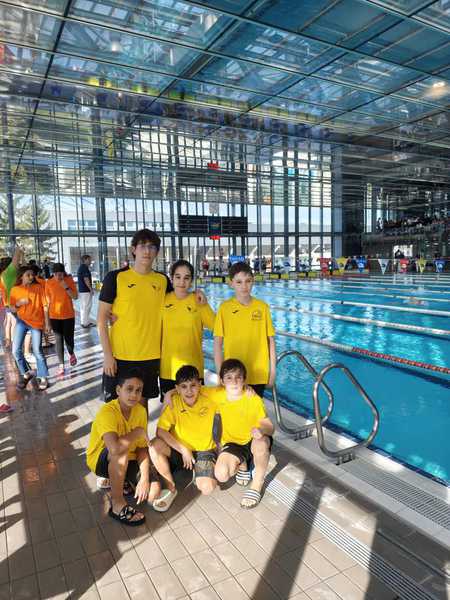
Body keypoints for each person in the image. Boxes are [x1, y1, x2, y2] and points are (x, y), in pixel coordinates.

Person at [97, 229, 172, 409]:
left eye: (152, 247)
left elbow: (178, 304)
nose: (147, 251)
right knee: (116, 409)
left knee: (141, 408)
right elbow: (101, 319)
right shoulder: (115, 278)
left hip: (151, 356)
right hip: (120, 356)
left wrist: (197, 296)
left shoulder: (162, 281)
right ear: (133, 249)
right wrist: (107, 355)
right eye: (142, 246)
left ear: (157, 252)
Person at [86, 369, 161, 526]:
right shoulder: (107, 412)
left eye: (138, 390)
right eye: (129, 389)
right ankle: (117, 505)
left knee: (153, 493)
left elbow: (141, 449)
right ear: (118, 390)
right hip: (102, 460)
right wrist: (137, 432)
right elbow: (114, 449)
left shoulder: (140, 411)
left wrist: (144, 479)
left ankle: (120, 481)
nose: (134, 395)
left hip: (129, 458)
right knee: (121, 453)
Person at [150, 365, 218, 511]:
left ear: (200, 385)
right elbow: (160, 431)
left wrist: (248, 390)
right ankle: (171, 487)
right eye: (184, 387)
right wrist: (183, 450)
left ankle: (196, 470)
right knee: (154, 445)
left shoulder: (211, 400)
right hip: (181, 452)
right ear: (178, 388)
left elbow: (230, 390)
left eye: (193, 385)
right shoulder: (174, 402)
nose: (189, 391)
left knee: (208, 488)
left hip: (203, 452)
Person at [214, 359, 274, 509]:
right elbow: (193, 389)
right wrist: (171, 392)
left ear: (244, 380)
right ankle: (242, 464)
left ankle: (256, 485)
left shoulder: (253, 399)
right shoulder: (217, 395)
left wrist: (261, 431)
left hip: (254, 440)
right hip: (234, 444)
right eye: (229, 377)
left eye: (238, 377)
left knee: (261, 443)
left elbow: (270, 427)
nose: (234, 382)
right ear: (222, 381)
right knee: (221, 474)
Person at [213, 261, 276, 398]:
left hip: (258, 373)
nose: (244, 286)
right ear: (231, 283)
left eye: (248, 281)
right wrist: (220, 374)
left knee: (254, 410)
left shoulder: (262, 307)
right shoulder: (224, 308)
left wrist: (272, 373)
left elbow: (270, 341)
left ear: (253, 281)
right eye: (239, 282)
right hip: (233, 375)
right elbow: (217, 343)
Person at [159, 260, 215, 395]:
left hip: (193, 369)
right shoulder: (162, 300)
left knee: (195, 407)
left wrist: (204, 304)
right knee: (170, 406)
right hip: (168, 369)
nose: (182, 282)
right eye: (178, 277)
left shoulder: (198, 300)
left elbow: (216, 326)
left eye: (186, 278)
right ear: (171, 278)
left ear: (191, 281)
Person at [10, 265, 50, 391]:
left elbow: (45, 305)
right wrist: (18, 303)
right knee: (15, 350)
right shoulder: (15, 290)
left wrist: (47, 323)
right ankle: (26, 373)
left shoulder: (38, 287)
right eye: (28, 275)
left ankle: (43, 376)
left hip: (36, 322)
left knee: (37, 350)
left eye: (32, 274)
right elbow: (12, 309)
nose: (31, 277)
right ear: (21, 276)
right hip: (21, 322)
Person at [45, 263, 78, 375]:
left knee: (69, 340)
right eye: (56, 274)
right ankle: (61, 365)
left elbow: (75, 297)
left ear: (64, 273)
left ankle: (71, 353)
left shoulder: (69, 280)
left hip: (68, 315)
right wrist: (47, 322)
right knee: (58, 340)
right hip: (54, 316)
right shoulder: (49, 283)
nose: (59, 276)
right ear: (53, 274)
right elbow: (46, 304)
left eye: (61, 274)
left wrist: (66, 287)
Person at [77, 254, 95, 328]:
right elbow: (86, 279)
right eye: (89, 259)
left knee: (84, 307)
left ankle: (85, 322)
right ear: (85, 260)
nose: (90, 261)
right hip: (85, 290)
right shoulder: (84, 268)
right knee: (86, 307)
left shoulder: (82, 267)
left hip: (82, 290)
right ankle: (85, 323)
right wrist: (90, 289)